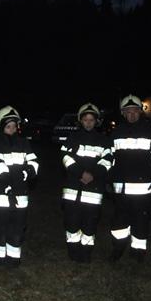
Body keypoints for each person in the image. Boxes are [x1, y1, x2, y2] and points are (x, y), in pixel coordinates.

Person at [108, 95, 151, 263]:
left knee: (141, 221)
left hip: (143, 188)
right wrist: (108, 180)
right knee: (119, 221)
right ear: (123, 113)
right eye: (128, 111)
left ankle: (138, 252)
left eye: (135, 111)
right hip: (120, 188)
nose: (132, 114)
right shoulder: (117, 132)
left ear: (140, 112)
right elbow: (109, 158)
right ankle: (118, 248)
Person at [0, 106, 38, 267]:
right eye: (8, 126)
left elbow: (33, 163)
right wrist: (9, 185)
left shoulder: (24, 143)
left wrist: (26, 173)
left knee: (17, 230)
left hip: (20, 196)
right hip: (0, 197)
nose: (12, 129)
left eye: (14, 126)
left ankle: (13, 260)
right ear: (1, 126)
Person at [61, 103, 112, 263]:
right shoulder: (72, 138)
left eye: (91, 120)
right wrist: (80, 173)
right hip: (73, 190)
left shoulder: (104, 140)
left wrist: (93, 175)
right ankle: (73, 252)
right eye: (85, 120)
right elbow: (65, 157)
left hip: (93, 191)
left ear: (96, 121)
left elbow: (108, 160)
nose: (88, 123)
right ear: (80, 121)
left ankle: (86, 253)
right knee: (71, 223)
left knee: (90, 225)